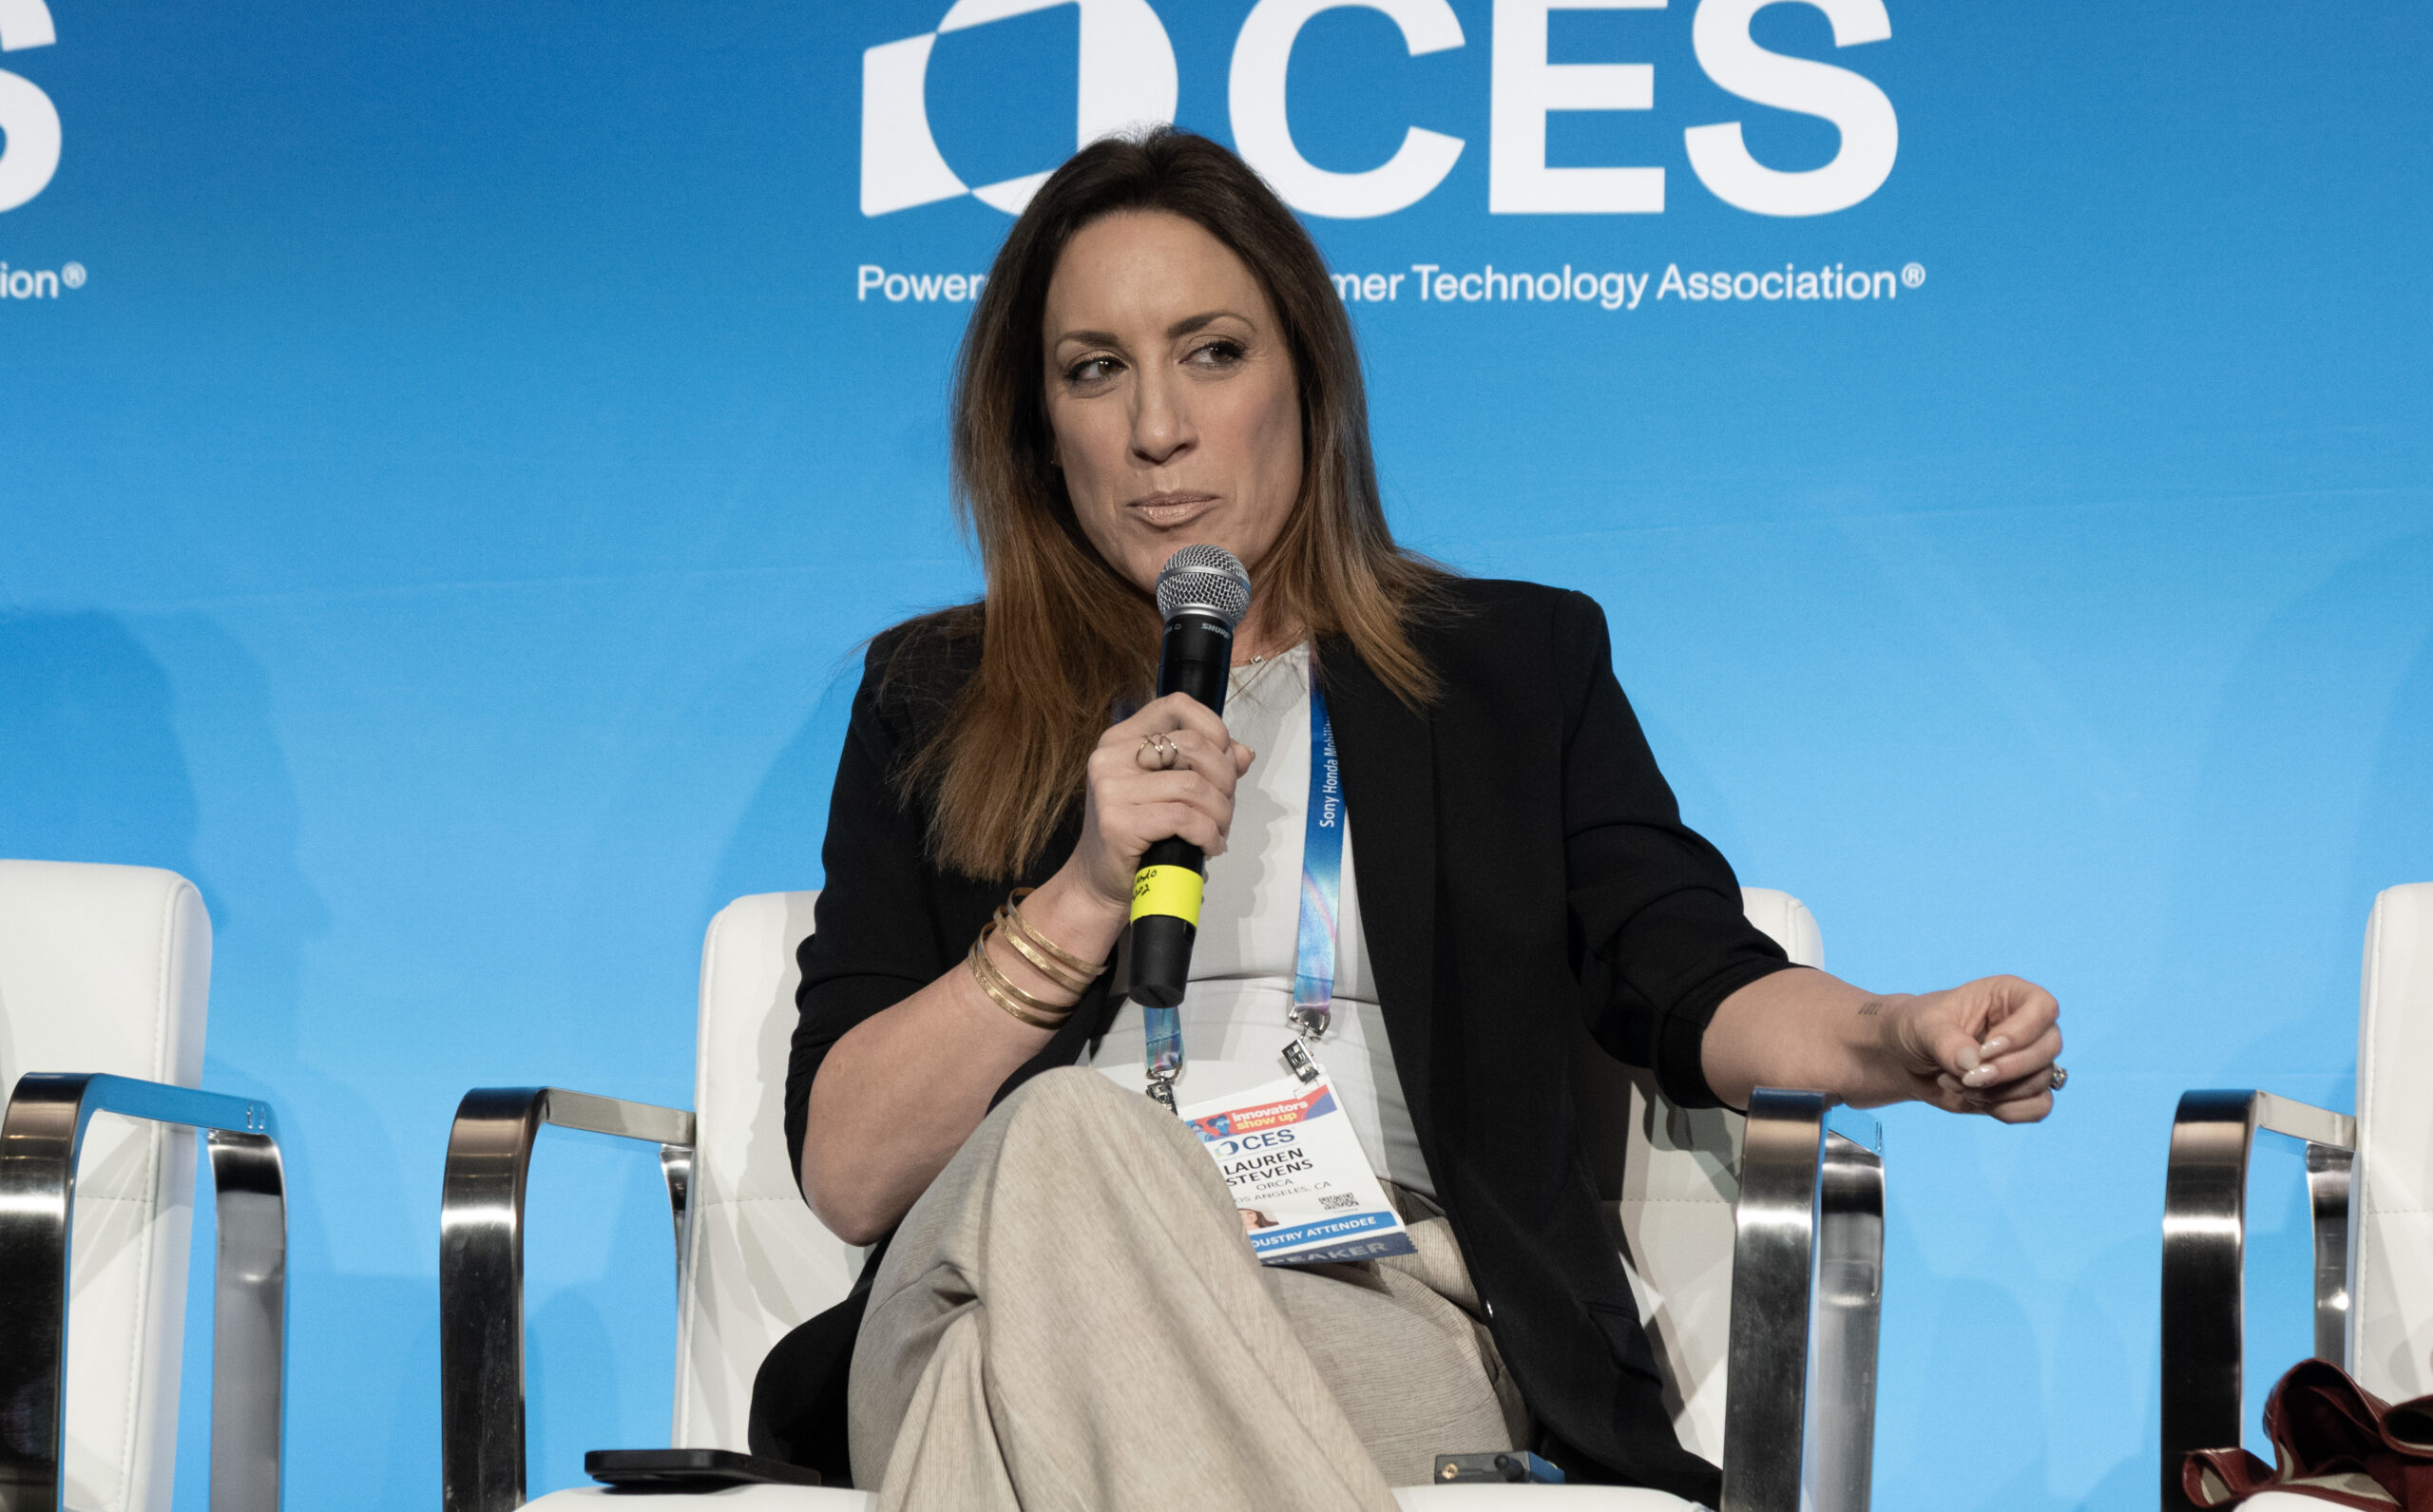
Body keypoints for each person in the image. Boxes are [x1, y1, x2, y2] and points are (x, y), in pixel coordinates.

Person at [750, 127, 2064, 1511]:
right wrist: (1081, 895)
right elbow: (852, 1174)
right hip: (981, 1270)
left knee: (992, 1397)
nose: (1156, 428)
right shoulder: (936, 697)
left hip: (1369, 1307)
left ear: (1307, 382)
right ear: (1038, 425)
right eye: (1096, 370)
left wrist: (1892, 1035)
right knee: (1068, 1143)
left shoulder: (1507, 671)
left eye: (1212, 353)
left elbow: (1686, 972)